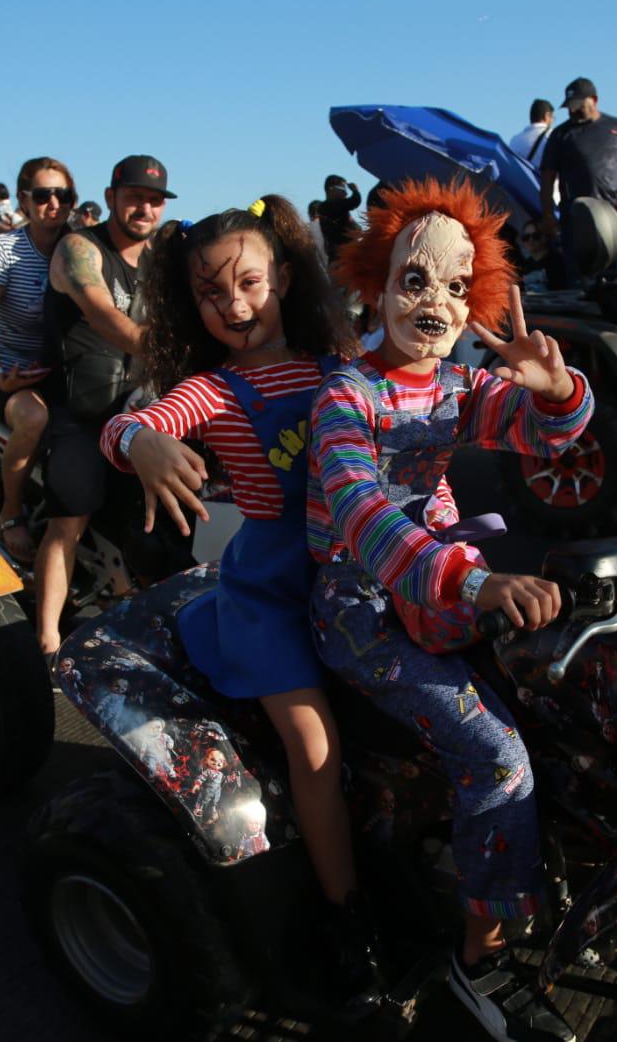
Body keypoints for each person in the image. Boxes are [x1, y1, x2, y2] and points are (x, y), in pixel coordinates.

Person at [309, 178, 588, 1042]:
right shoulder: (343, 398)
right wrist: (477, 583)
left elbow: (543, 434)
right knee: (499, 755)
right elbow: (367, 519)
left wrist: (553, 388)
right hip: (361, 608)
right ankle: (481, 963)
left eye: (458, 287)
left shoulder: (456, 384)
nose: (436, 303)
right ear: (376, 284)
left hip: (440, 586)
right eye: (417, 280)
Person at [98, 195, 380, 1012]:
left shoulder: (341, 369)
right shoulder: (215, 392)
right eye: (213, 295)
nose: (235, 306)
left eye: (249, 283)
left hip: (355, 563)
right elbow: (136, 424)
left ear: (284, 278)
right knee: (312, 746)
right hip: (270, 586)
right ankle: (345, 913)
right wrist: (142, 439)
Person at [37, 155, 171, 654]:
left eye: (154, 200)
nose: (145, 207)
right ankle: (48, 640)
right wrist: (168, 352)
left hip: (139, 405)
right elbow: (100, 312)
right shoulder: (79, 248)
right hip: (81, 408)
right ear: (112, 197)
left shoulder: (158, 260)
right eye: (135, 196)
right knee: (68, 519)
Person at [0, 156, 79, 564]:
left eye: (62, 195)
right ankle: (11, 512)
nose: (54, 204)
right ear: (24, 201)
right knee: (34, 418)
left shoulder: (83, 246)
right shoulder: (4, 248)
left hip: (63, 372)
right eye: (43, 195)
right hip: (5, 370)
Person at [539, 77, 617, 276]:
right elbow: (547, 178)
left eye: (577, 105)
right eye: (569, 106)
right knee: (577, 277)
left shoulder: (616, 126)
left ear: (594, 100)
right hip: (575, 218)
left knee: (611, 275)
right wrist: (548, 215)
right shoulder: (560, 135)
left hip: (611, 214)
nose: (572, 111)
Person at [316, 174, 363, 264]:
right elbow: (355, 201)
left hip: (338, 255)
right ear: (331, 189)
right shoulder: (332, 205)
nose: (345, 193)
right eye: (343, 189)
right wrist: (355, 190)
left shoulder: (324, 207)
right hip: (342, 256)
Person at [516, 219, 567, 291]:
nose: (530, 240)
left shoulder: (556, 261)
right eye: (526, 237)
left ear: (545, 237)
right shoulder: (524, 265)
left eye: (536, 236)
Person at [508, 98, 554, 168]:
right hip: (542, 178)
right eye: (552, 117)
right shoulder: (553, 136)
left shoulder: (514, 140)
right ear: (546, 116)